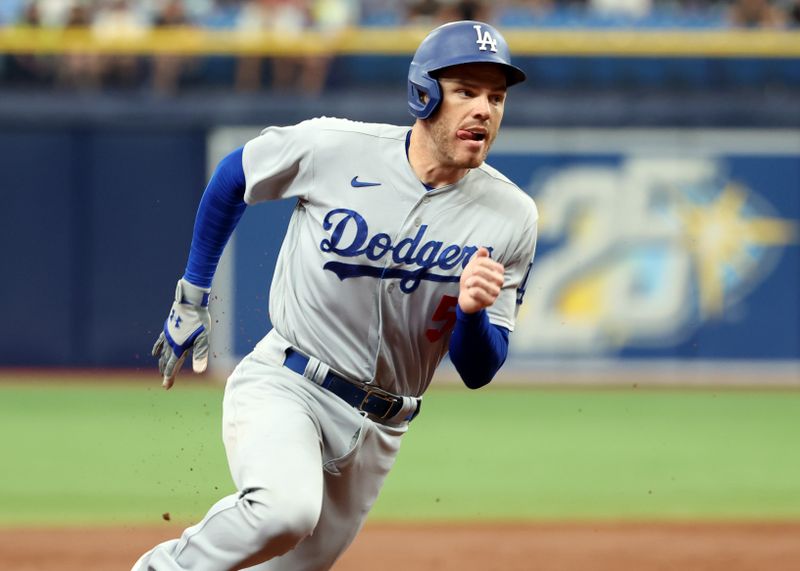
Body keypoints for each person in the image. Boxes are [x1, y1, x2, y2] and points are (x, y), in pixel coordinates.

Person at [133, 19, 538, 571]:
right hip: (291, 382)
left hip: (383, 427)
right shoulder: (338, 148)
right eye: (466, 91)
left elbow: (479, 369)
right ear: (424, 93)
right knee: (284, 512)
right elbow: (235, 174)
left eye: (496, 97)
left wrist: (471, 315)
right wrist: (192, 292)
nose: (484, 110)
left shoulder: (512, 215)